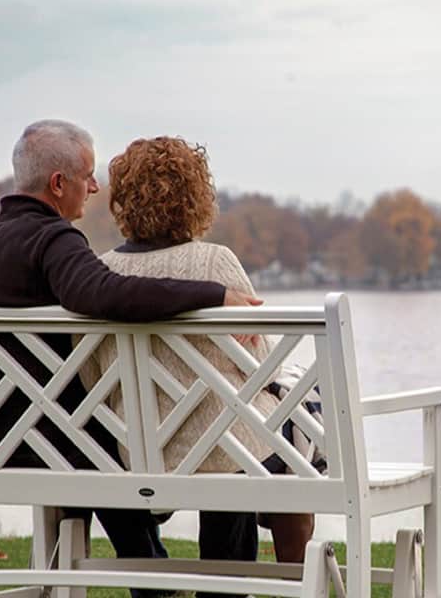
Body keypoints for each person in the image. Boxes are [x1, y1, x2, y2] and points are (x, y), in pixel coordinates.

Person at [0, 120, 262, 598]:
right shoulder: (53, 240)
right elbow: (100, 291)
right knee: (123, 433)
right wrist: (214, 294)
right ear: (58, 184)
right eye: (88, 176)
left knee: (110, 427)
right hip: (64, 445)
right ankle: (155, 579)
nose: (94, 188)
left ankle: (152, 578)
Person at [78, 136, 314, 574]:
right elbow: (262, 368)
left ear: (123, 201)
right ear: (196, 198)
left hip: (139, 452)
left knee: (237, 428)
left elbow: (92, 380)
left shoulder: (101, 272)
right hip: (230, 454)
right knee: (284, 418)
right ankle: (291, 580)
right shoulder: (215, 265)